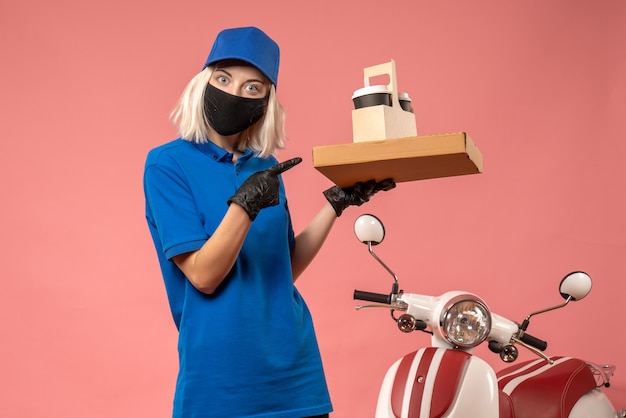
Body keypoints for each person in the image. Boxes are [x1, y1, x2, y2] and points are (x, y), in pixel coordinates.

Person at [143, 26, 395, 418]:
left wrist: (335, 204)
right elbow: (204, 276)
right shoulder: (166, 165)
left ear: (266, 101)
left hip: (295, 375)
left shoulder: (265, 168)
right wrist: (244, 205)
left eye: (252, 87)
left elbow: (282, 268)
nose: (235, 92)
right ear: (203, 82)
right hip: (219, 381)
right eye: (224, 78)